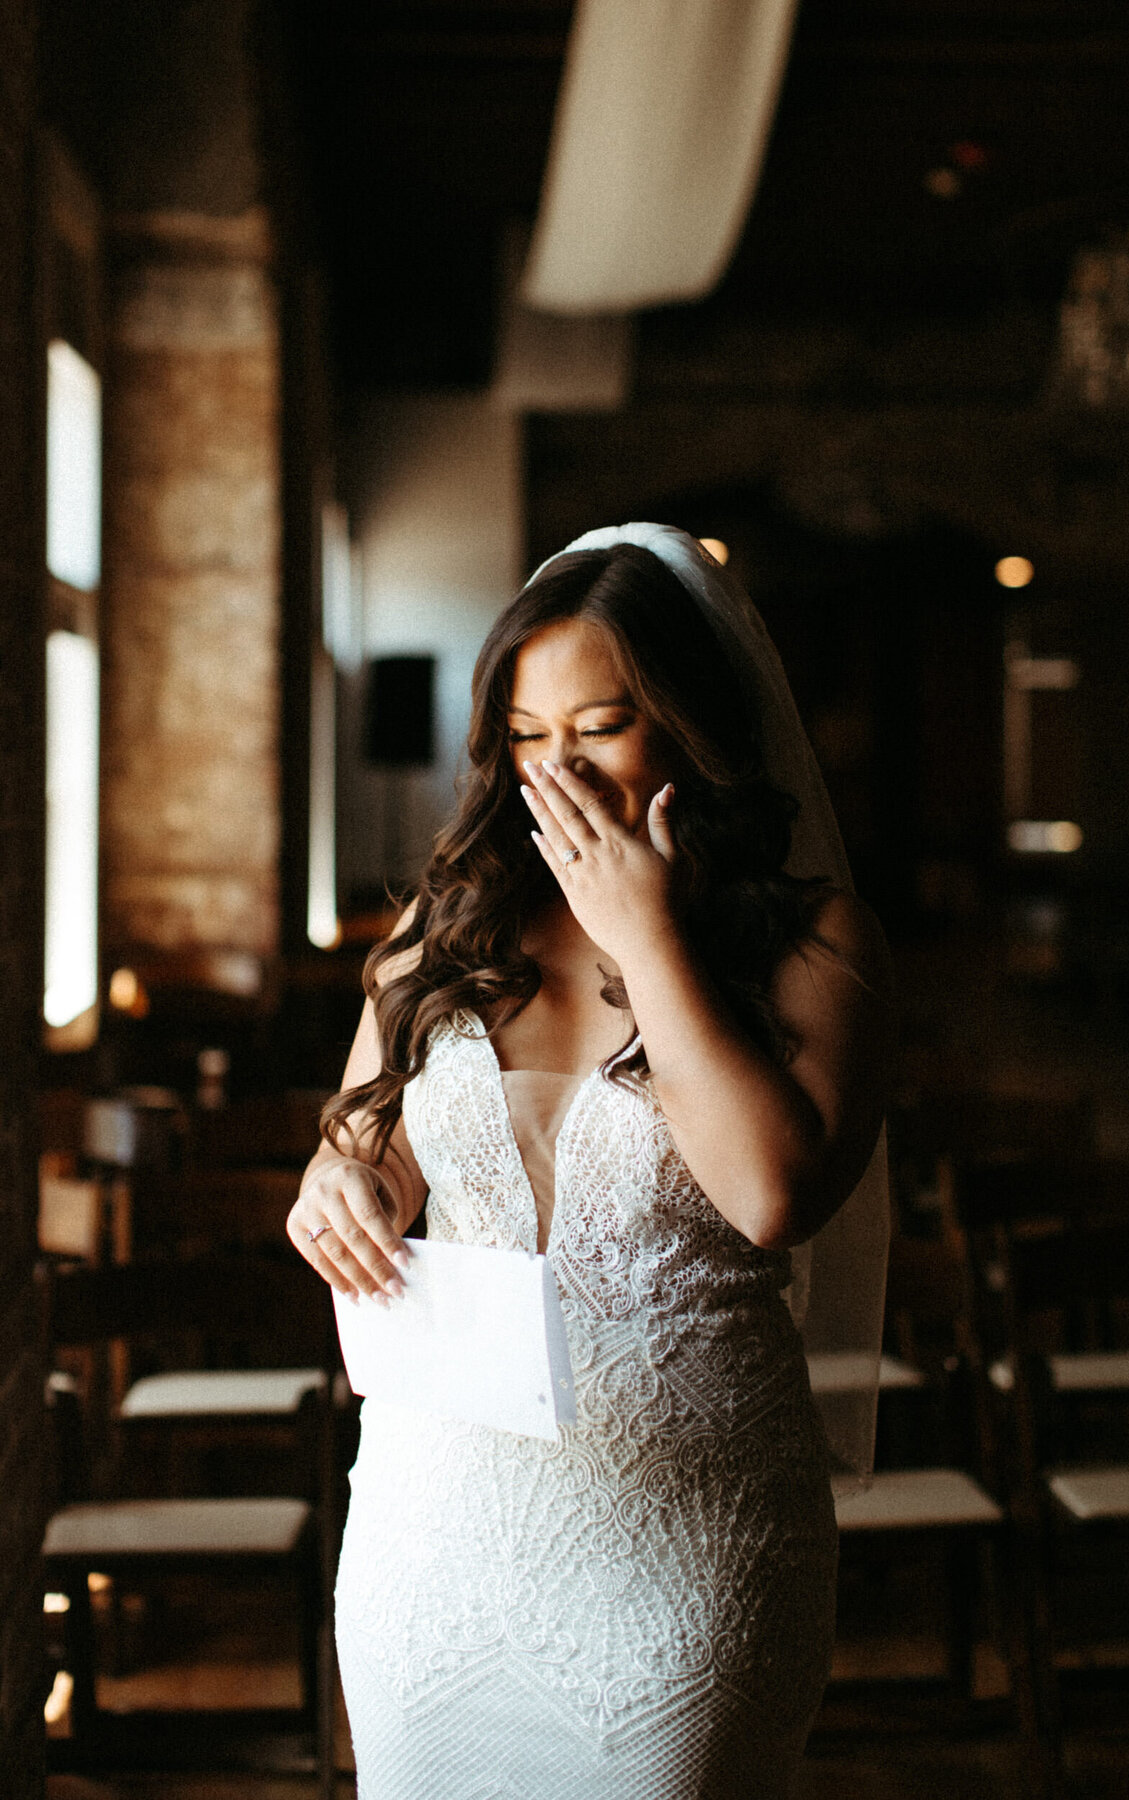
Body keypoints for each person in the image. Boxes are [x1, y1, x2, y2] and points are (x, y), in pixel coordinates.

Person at [288, 525, 894, 1799]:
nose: (556, 774)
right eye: (526, 738)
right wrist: (341, 1190)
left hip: (689, 1550)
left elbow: (772, 1197)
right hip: (433, 1538)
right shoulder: (444, 923)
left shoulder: (812, 936)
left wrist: (648, 936)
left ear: (689, 725)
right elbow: (365, 1154)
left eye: (602, 727)